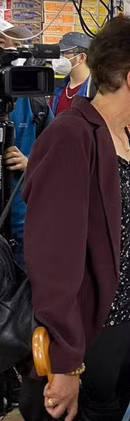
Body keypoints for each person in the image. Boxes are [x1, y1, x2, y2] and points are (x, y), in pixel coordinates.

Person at [19, 17, 130, 421]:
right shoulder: (71, 137)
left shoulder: (119, 135)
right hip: (88, 334)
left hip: (120, 328)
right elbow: (53, 259)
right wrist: (66, 363)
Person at [0, 26, 53, 267]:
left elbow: (59, 157)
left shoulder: (35, 102)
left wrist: (30, 162)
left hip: (23, 221)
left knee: (23, 295)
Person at [50, 32, 94, 116]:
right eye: (59, 53)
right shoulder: (58, 89)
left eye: (65, 53)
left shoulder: (96, 92)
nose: (59, 57)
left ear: (81, 57)